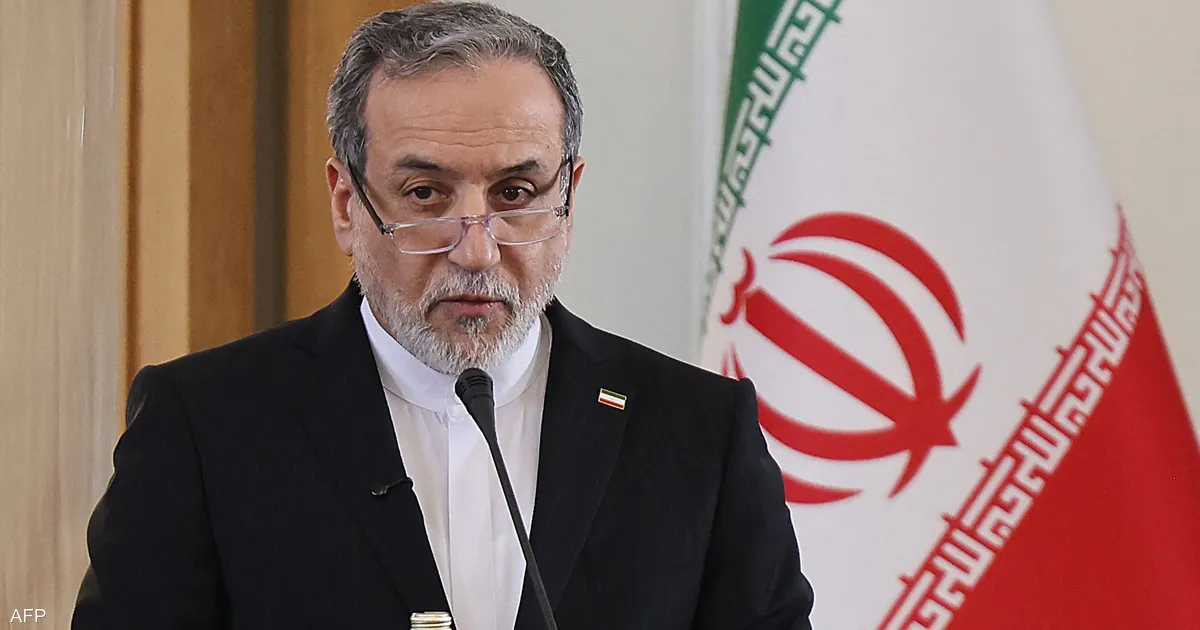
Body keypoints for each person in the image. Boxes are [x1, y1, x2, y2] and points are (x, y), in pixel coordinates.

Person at [72, 3, 814, 629]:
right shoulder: (206, 426)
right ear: (346, 204)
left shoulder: (698, 432)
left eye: (516, 194)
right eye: (425, 195)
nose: (477, 250)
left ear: (569, 199)